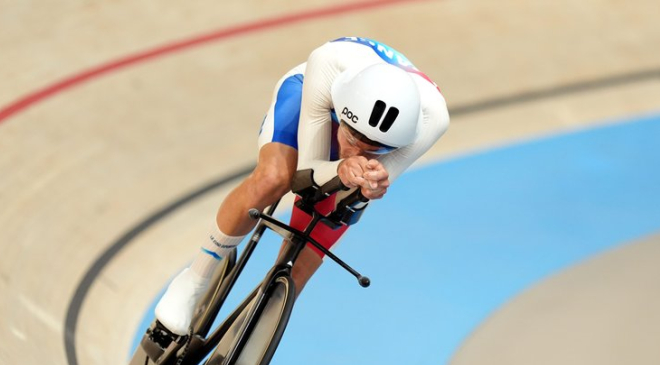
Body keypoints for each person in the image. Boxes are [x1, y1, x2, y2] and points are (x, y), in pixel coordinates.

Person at [154, 37, 450, 335]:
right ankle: (195, 279)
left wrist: (368, 186)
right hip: (309, 96)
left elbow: (360, 195)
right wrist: (342, 167)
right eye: (353, 141)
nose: (358, 152)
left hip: (362, 118)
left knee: (325, 229)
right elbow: (305, 175)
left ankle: (254, 332)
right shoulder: (328, 64)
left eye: (375, 149)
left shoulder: (431, 120)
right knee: (275, 178)